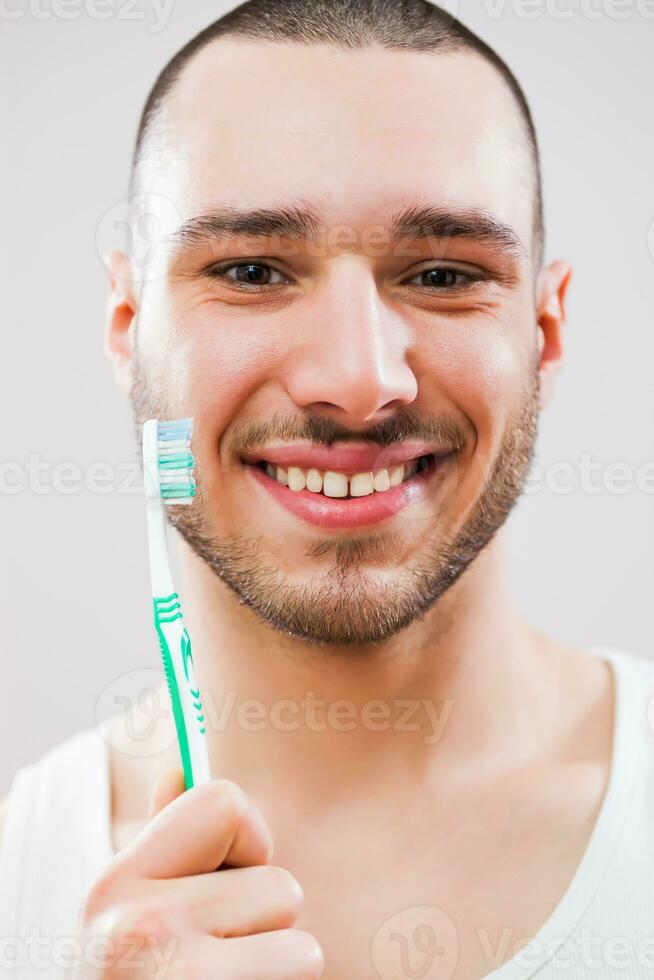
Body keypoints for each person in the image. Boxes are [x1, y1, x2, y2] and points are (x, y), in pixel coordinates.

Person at [2, 1, 653, 977]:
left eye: (441, 271)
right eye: (254, 269)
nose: (357, 378)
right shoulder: (18, 878)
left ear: (545, 332)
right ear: (128, 324)